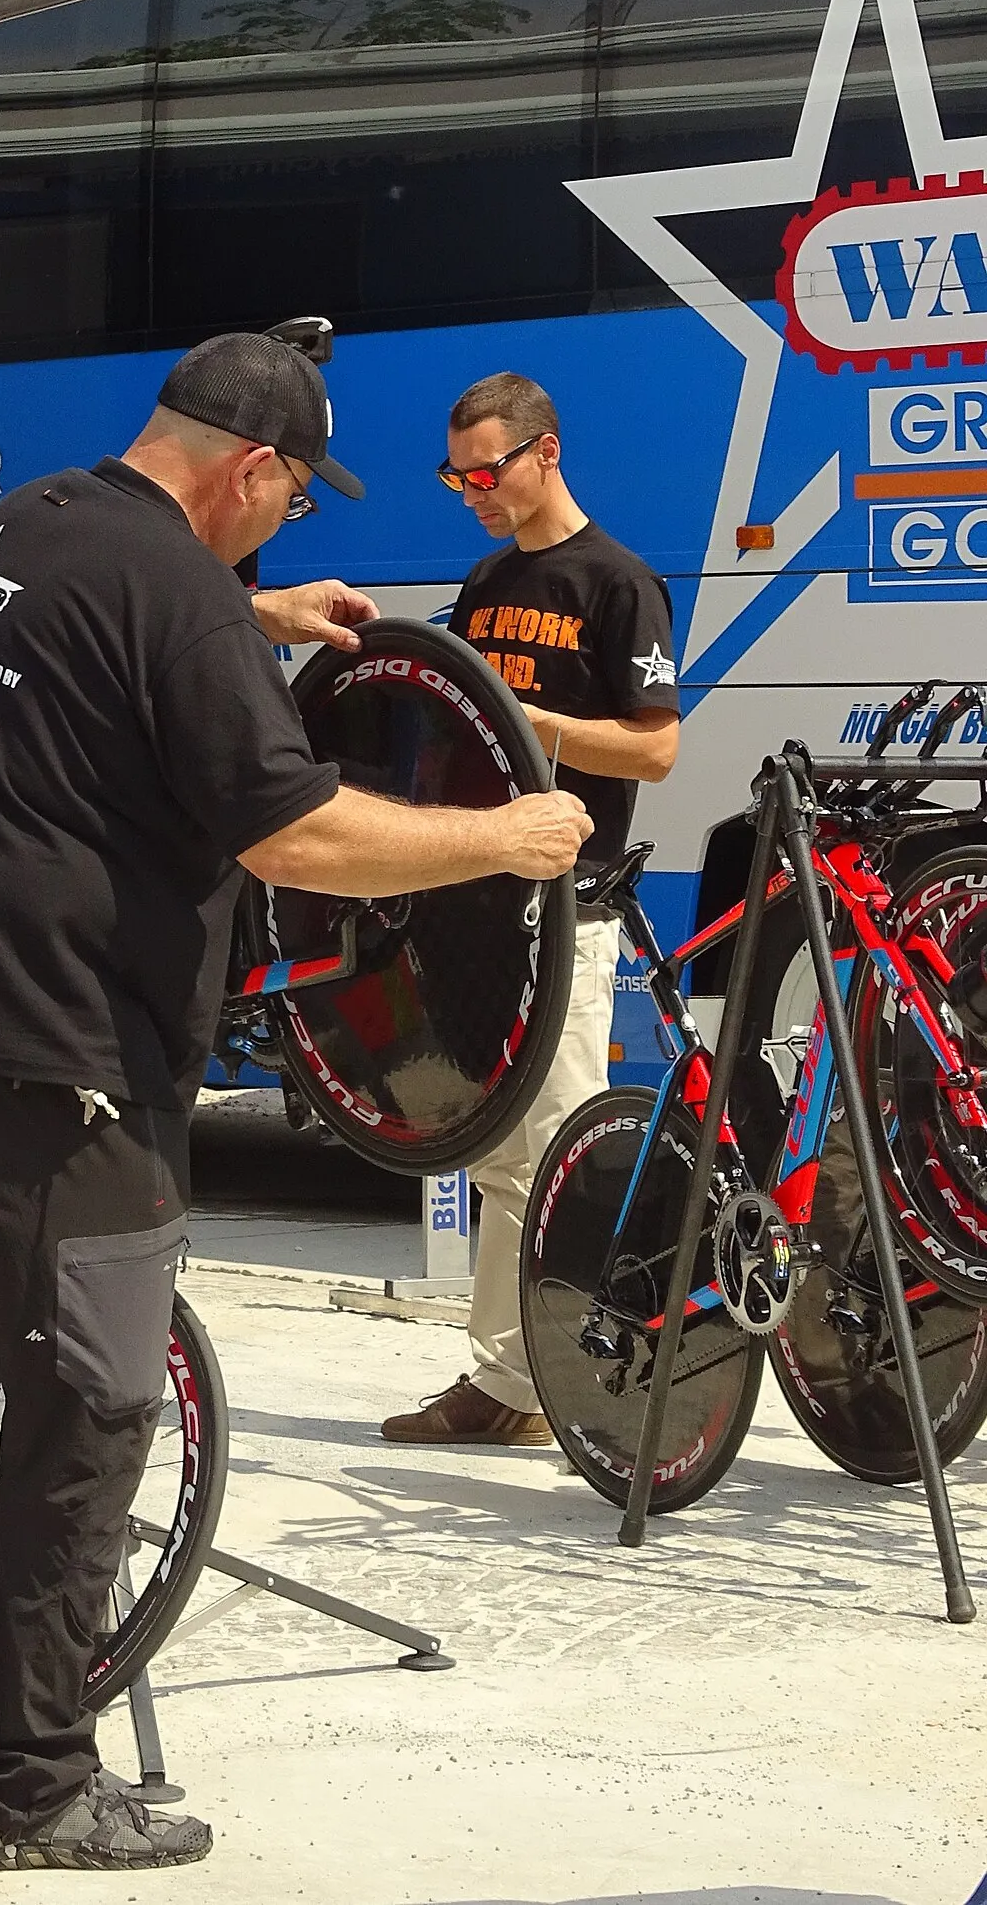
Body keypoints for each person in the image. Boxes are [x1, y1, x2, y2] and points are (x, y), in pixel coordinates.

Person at [0, 330, 593, 1885]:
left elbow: (131, 629)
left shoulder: (33, 521)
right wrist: (501, 836)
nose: (286, 536)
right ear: (253, 468)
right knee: (89, 1415)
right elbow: (296, 837)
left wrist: (257, 612)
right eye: (289, 511)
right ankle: (22, 1783)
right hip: (51, 1054)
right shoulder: (176, 594)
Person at [380, 370, 680, 1449]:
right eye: (452, 471)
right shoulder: (485, 577)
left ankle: (563, 1385)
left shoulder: (616, 581)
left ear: (543, 452)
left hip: (566, 906)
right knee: (499, 1151)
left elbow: (653, 744)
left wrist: (531, 719)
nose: (467, 489)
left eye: (483, 468)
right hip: (474, 900)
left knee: (558, 1145)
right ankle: (507, 1380)